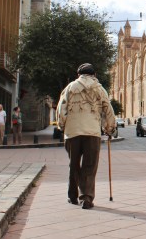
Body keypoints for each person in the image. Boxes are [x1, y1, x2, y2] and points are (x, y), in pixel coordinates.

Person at [56, 63, 116, 210]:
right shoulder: (100, 89)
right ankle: (87, 198)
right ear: (94, 74)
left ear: (79, 74)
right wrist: (109, 128)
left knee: (74, 164)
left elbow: (61, 108)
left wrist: (62, 126)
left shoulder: (70, 88)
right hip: (92, 133)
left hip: (73, 132)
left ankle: (72, 195)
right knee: (89, 166)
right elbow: (108, 110)